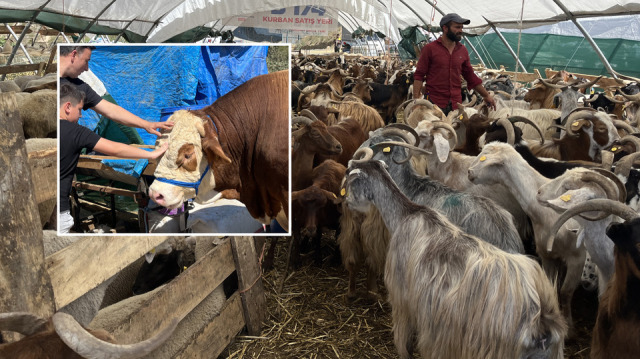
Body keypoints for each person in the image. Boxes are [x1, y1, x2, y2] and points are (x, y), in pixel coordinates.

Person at [59, 84, 169, 233]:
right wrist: (151, 154)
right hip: (61, 211)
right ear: (67, 107)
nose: (81, 115)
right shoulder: (77, 132)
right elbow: (116, 149)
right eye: (79, 109)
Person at [59, 45, 173, 137]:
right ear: (74, 54)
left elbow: (111, 110)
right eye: (86, 61)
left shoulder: (78, 86)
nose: (87, 68)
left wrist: (146, 125)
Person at [412, 13, 496, 115]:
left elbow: (470, 76)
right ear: (445, 28)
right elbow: (419, 75)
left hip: (456, 104)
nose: (460, 30)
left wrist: (486, 95)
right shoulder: (430, 49)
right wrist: (416, 101)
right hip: (433, 103)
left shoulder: (462, 50)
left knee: (455, 130)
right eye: (457, 27)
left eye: (461, 27)